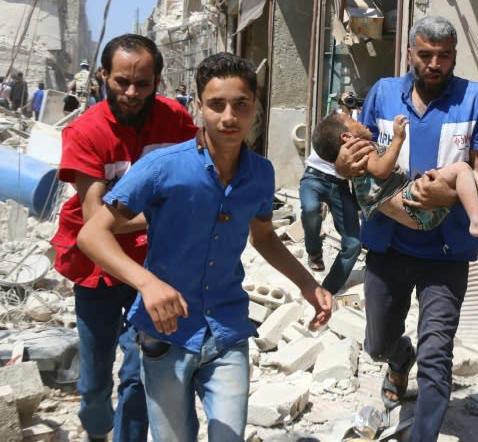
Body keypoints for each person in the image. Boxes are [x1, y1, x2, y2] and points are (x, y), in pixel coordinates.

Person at [76, 52, 334, 442]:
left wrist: (308, 285)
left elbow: (263, 236)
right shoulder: (163, 166)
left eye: (240, 105)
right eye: (216, 105)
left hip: (228, 330)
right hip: (167, 335)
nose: (229, 117)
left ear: (255, 108)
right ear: (198, 107)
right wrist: (147, 284)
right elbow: (92, 234)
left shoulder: (261, 173)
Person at [335, 15, 478, 441]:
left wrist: (446, 197)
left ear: (454, 57)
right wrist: (343, 167)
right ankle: (398, 359)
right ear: (410, 52)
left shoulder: (477, 99)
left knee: (437, 352)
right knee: (377, 343)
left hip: (447, 251)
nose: (434, 63)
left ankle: (423, 434)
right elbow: (360, 156)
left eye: (443, 56)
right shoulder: (383, 94)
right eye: (425, 54)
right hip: (387, 243)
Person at [50, 34, 198, 442]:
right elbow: (97, 220)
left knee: (139, 375)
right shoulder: (86, 131)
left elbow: (194, 183)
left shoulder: (177, 122)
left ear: (158, 81)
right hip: (98, 268)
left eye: (143, 84)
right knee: (95, 383)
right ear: (103, 76)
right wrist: (161, 213)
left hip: (156, 267)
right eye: (121, 82)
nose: (132, 93)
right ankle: (97, 430)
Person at [314, 112, 478, 240]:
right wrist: (398, 138)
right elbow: (382, 170)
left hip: (415, 209)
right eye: (352, 120)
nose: (359, 120)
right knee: (461, 169)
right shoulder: (360, 150)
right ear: (346, 136)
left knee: (462, 172)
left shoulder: (354, 157)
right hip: (408, 201)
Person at [299, 145, 362, 295]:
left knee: (354, 244)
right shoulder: (337, 123)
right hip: (314, 176)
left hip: (341, 186)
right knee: (310, 209)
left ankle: (327, 290)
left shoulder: (366, 133)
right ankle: (314, 253)